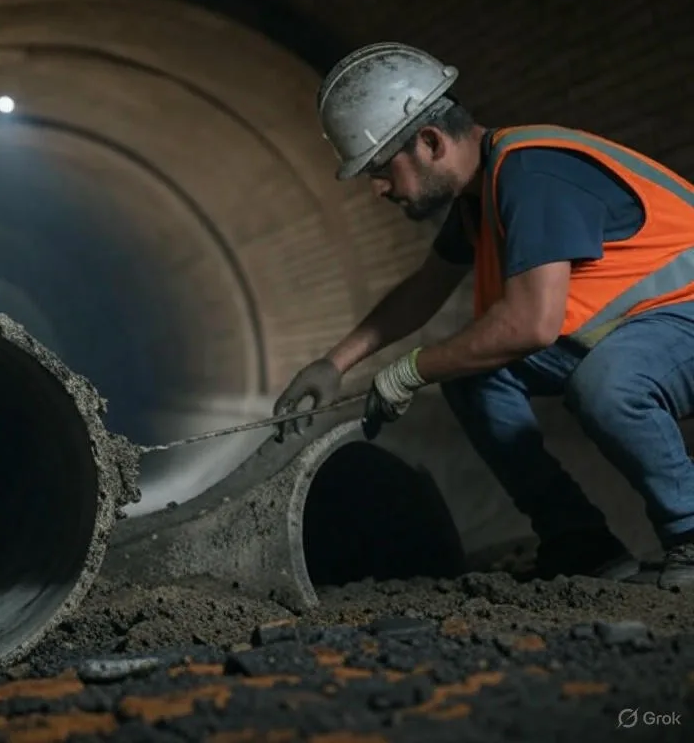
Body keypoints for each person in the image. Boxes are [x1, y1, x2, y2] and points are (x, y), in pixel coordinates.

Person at [273, 42, 694, 588]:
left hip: (679, 318)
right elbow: (424, 290)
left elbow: (532, 325)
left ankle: (689, 535)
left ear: (429, 142)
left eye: (381, 170)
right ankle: (581, 543)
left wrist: (411, 369)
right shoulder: (482, 195)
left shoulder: (531, 175)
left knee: (607, 384)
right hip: (650, 327)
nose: (379, 190)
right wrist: (335, 363)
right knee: (473, 376)